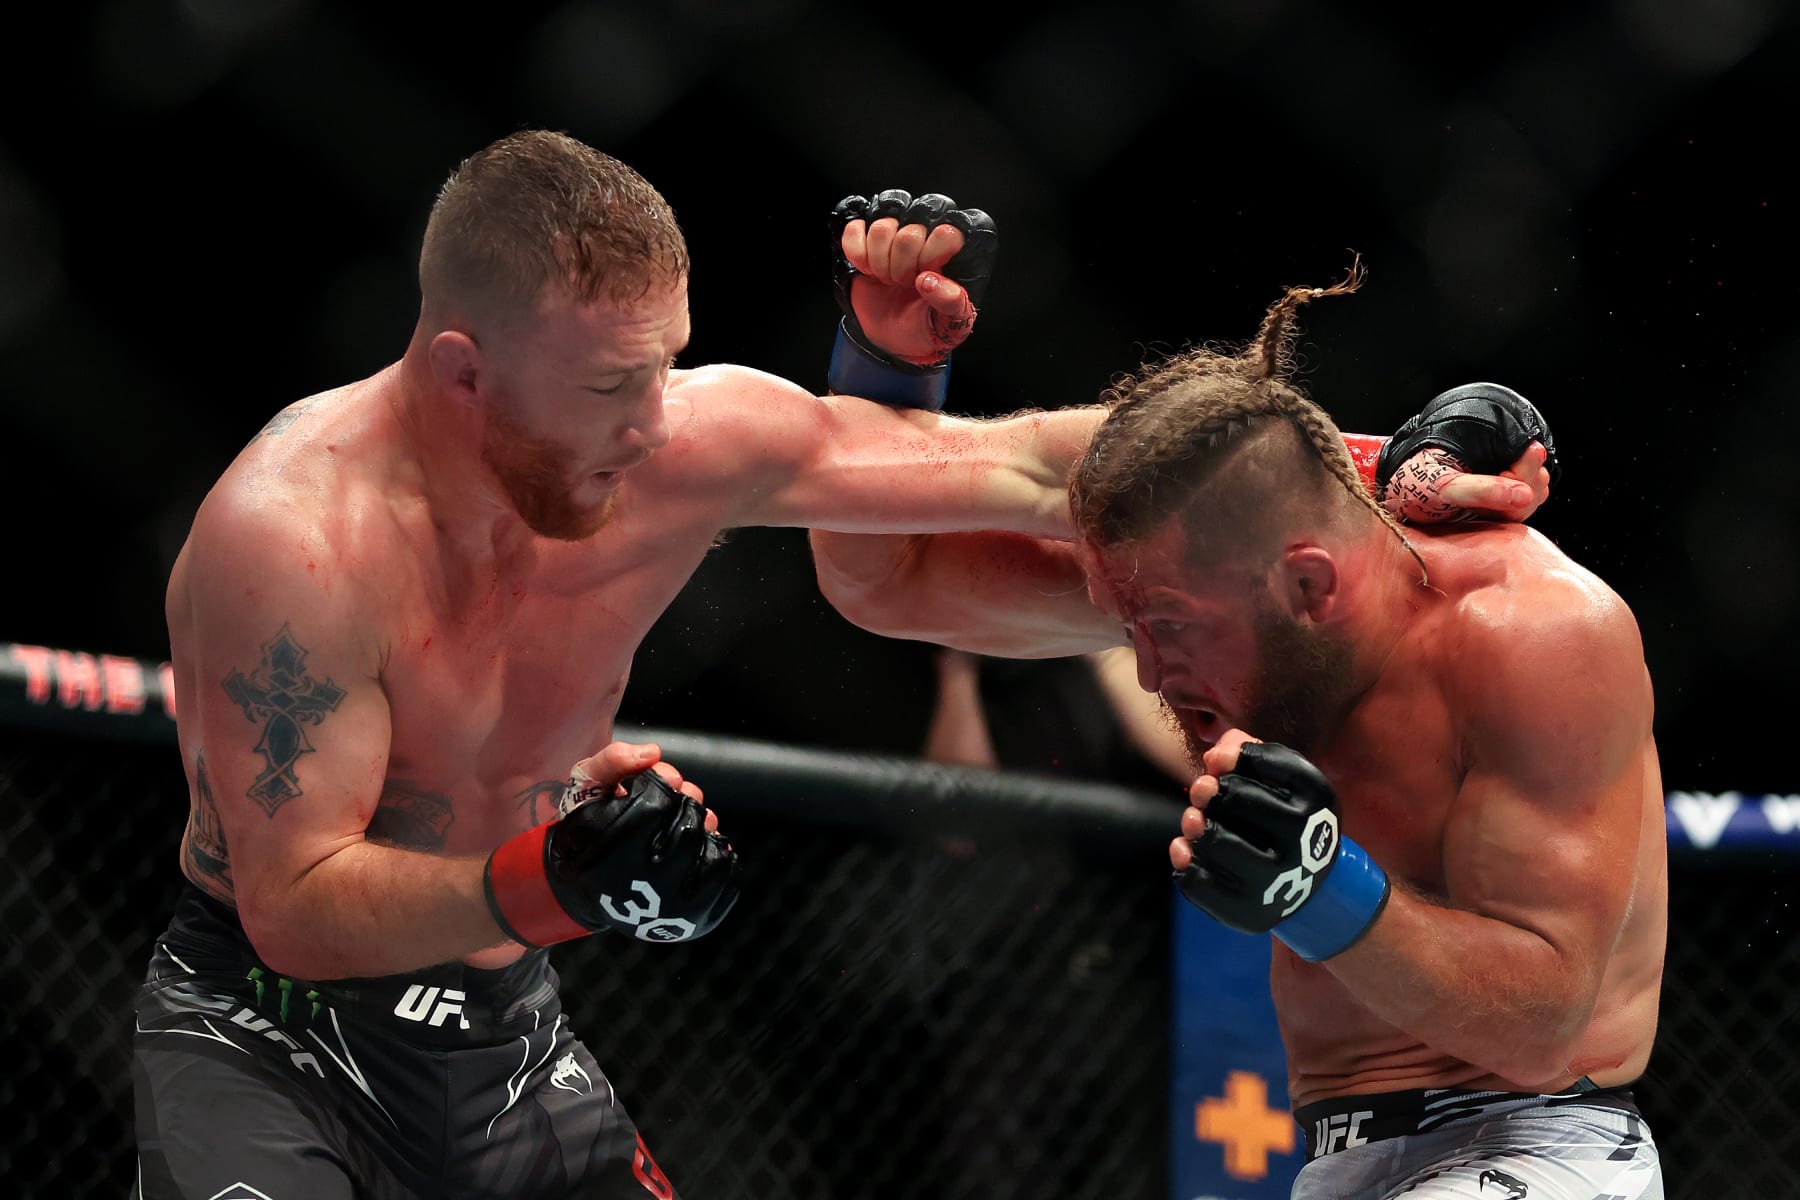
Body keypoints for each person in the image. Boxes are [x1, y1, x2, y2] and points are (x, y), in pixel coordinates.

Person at [132, 123, 1548, 1199]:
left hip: (496, 1033)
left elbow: (1009, 465)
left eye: (667, 365)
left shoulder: (682, 444)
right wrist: (561, 876)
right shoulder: (297, 543)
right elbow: (299, 909)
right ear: (462, 374)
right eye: (611, 386)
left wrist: (1367, 464)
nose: (652, 419)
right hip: (272, 1039)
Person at [815, 269, 1665, 1198]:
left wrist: (1322, 890)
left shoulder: (1532, 633)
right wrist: (890, 367)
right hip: (1337, 1160)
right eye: (1125, 624)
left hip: (1537, 1146)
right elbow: (884, 580)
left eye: (1165, 628)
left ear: (1308, 586)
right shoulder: (1220, 605)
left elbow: (1543, 1029)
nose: (1145, 670)